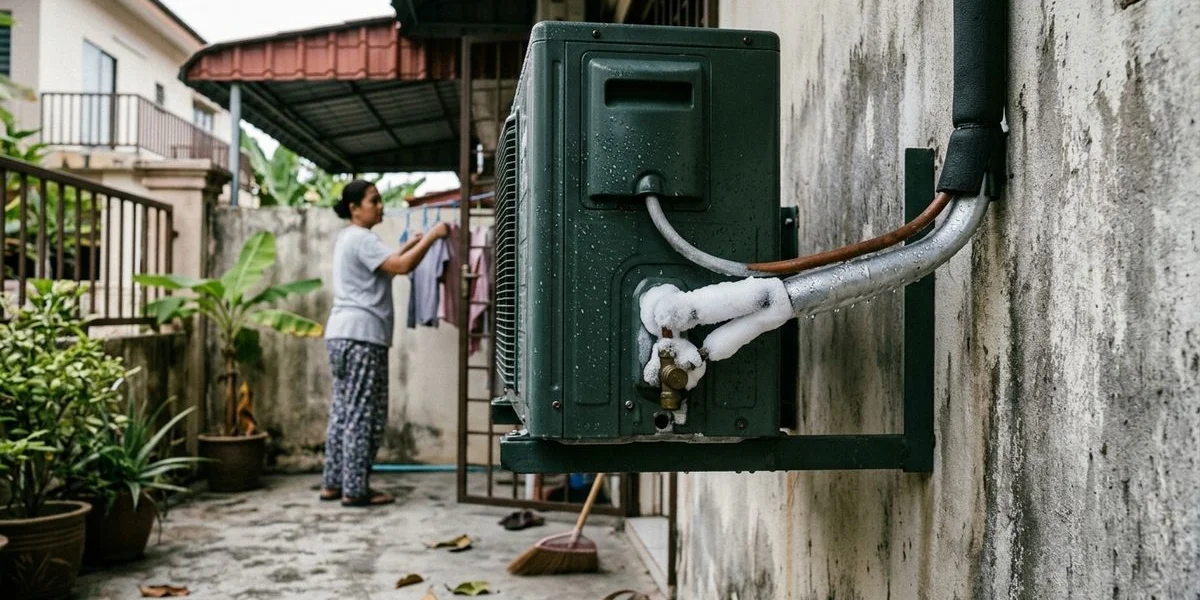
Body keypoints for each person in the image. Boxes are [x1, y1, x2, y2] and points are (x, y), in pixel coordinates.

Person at [320, 180, 449, 507]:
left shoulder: (350, 239)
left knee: (342, 412)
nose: (380, 206)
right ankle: (355, 490)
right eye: (374, 201)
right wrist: (433, 238)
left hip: (341, 334)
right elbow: (401, 267)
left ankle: (333, 484)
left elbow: (386, 267)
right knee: (364, 414)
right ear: (354, 209)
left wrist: (410, 245)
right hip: (363, 337)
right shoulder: (362, 239)